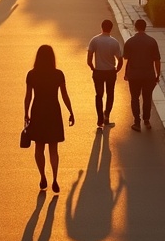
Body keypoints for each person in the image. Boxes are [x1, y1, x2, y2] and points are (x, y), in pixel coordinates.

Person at [24, 44, 74, 193]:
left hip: (38, 110)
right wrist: (71, 111)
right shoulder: (58, 74)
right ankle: (55, 178)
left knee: (39, 147)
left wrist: (26, 113)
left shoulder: (32, 74)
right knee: (53, 148)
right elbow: (64, 95)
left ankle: (42, 176)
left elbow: (28, 96)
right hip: (53, 111)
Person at [123, 18, 162, 132]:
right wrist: (157, 74)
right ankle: (147, 120)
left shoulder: (130, 42)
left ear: (135, 27)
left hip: (134, 75)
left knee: (135, 98)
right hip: (148, 74)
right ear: (145, 27)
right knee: (147, 98)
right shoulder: (152, 41)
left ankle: (136, 122)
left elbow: (127, 59)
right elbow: (157, 60)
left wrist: (126, 73)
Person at [85, 19, 123, 129]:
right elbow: (120, 60)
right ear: (111, 29)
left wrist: (93, 67)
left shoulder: (95, 40)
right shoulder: (114, 42)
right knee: (110, 94)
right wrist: (117, 70)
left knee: (99, 95)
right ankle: (107, 116)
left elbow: (89, 58)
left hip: (98, 72)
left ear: (101, 27)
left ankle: (99, 118)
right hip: (110, 72)